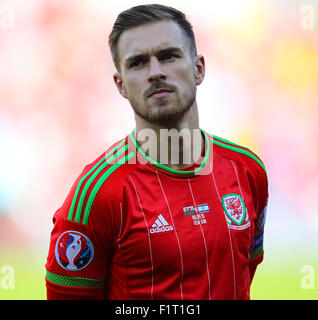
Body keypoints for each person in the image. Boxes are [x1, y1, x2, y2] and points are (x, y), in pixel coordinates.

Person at [45, 4, 268, 300]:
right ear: (121, 85)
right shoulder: (97, 194)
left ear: (198, 68)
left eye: (168, 56)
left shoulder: (248, 170)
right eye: (137, 63)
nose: (155, 72)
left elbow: (242, 273)